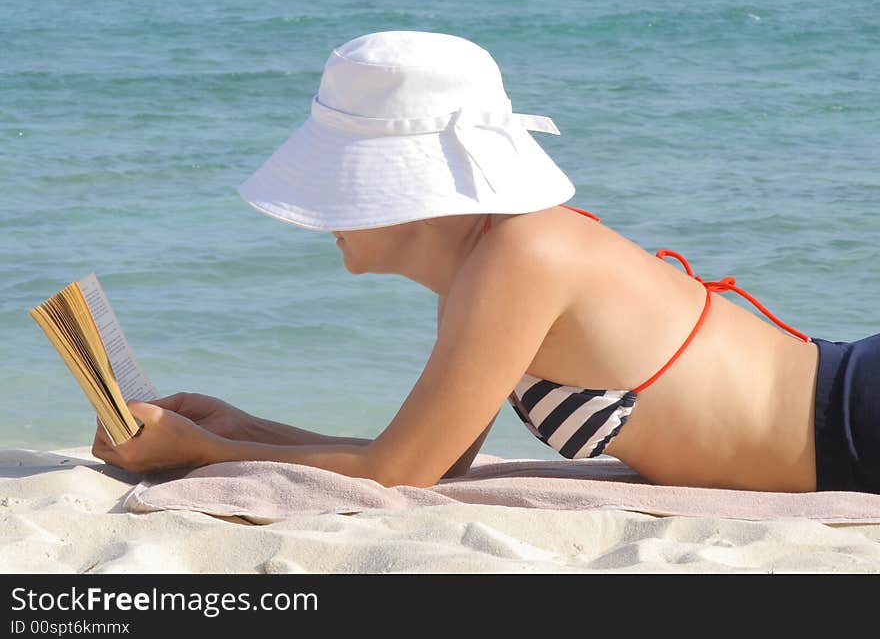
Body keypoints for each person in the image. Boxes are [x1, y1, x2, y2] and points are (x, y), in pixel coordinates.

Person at [92, 30, 880, 494]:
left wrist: (203, 452)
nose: (324, 217)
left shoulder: (524, 253)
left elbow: (403, 472)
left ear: (411, 191)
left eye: (338, 187)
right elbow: (425, 458)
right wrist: (242, 428)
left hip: (857, 422)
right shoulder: (487, 268)